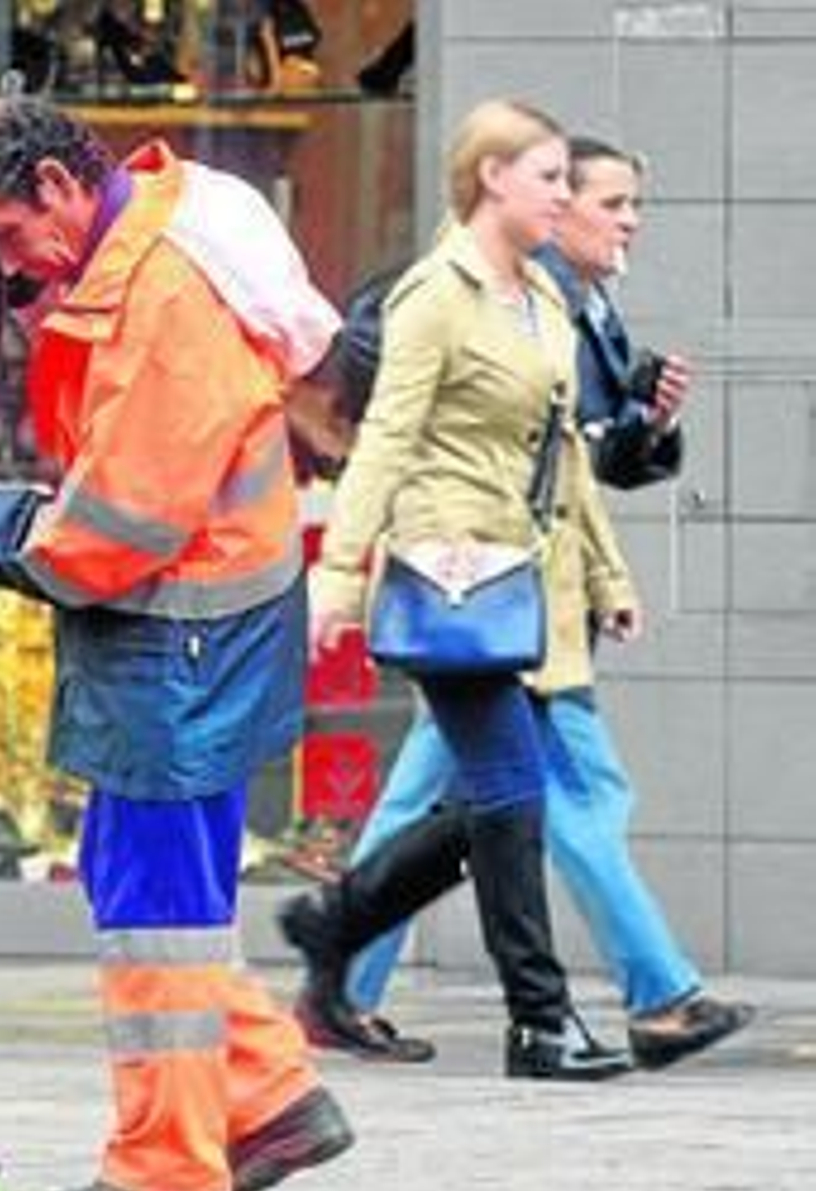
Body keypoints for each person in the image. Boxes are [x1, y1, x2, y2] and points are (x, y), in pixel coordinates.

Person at [0, 96, 353, 1191]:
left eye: (7, 236)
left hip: (182, 633)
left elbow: (125, 514)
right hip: (202, 623)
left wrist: (10, 538)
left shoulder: (164, 292)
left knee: (157, 903)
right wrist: (46, 304)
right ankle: (267, 1094)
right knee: (141, 877)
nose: (7, 262)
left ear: (59, 188)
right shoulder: (142, 248)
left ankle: (168, 1165)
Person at [289, 137, 753, 1071]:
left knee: (471, 800)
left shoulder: (564, 303)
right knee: (551, 796)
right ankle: (623, 1001)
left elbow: (582, 458)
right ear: (529, 196)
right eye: (608, 201)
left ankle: (342, 952)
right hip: (482, 591)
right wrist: (339, 575)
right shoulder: (473, 298)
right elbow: (394, 440)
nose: (629, 221)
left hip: (521, 598)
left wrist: (648, 436)